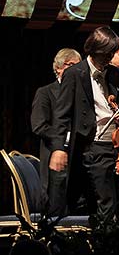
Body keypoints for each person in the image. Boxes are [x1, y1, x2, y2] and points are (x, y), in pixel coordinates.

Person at [48, 26, 119, 219]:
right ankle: (105, 245)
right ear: (95, 50)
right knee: (106, 203)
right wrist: (58, 148)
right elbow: (61, 114)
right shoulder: (74, 74)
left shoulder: (116, 74)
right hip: (93, 146)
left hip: (118, 146)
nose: (109, 58)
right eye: (107, 53)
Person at [31, 48, 81, 217]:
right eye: (71, 65)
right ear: (59, 68)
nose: (76, 70)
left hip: (79, 158)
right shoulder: (45, 92)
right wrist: (64, 138)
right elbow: (39, 126)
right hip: (55, 155)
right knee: (56, 208)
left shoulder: (82, 93)